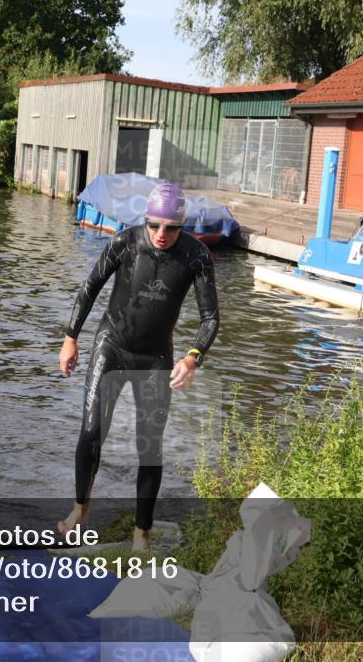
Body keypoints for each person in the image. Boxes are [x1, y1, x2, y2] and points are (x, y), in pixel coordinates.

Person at [58, 183, 219, 551]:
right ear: (146, 220)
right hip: (111, 346)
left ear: (182, 226)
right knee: (91, 431)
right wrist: (70, 338)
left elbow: (210, 317)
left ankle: (140, 535)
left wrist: (193, 357)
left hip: (155, 358)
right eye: (154, 225)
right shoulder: (125, 242)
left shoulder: (196, 256)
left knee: (150, 446)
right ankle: (80, 510)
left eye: (171, 228)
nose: (161, 234)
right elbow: (90, 286)